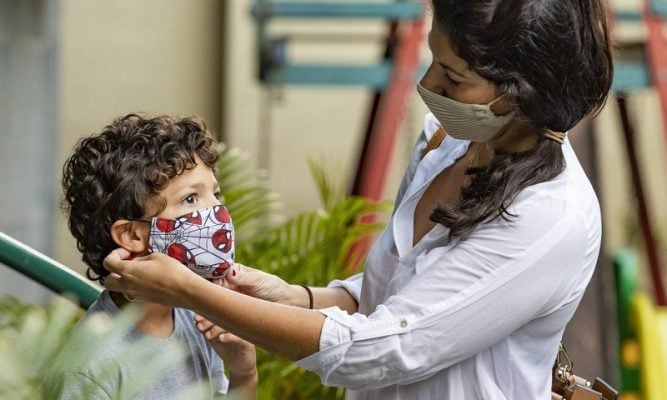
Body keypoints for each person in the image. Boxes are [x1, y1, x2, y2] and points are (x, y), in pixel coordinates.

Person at [101, 0, 614, 398]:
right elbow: (398, 293)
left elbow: (388, 346)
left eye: (453, 77)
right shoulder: (446, 141)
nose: (428, 84)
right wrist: (294, 296)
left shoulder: (548, 218)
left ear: (522, 91)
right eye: (434, 60)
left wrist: (195, 294)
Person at [42, 114, 257, 399]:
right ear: (132, 236)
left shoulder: (196, 317)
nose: (217, 212)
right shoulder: (90, 370)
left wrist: (244, 374)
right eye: (191, 199)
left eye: (216, 195)